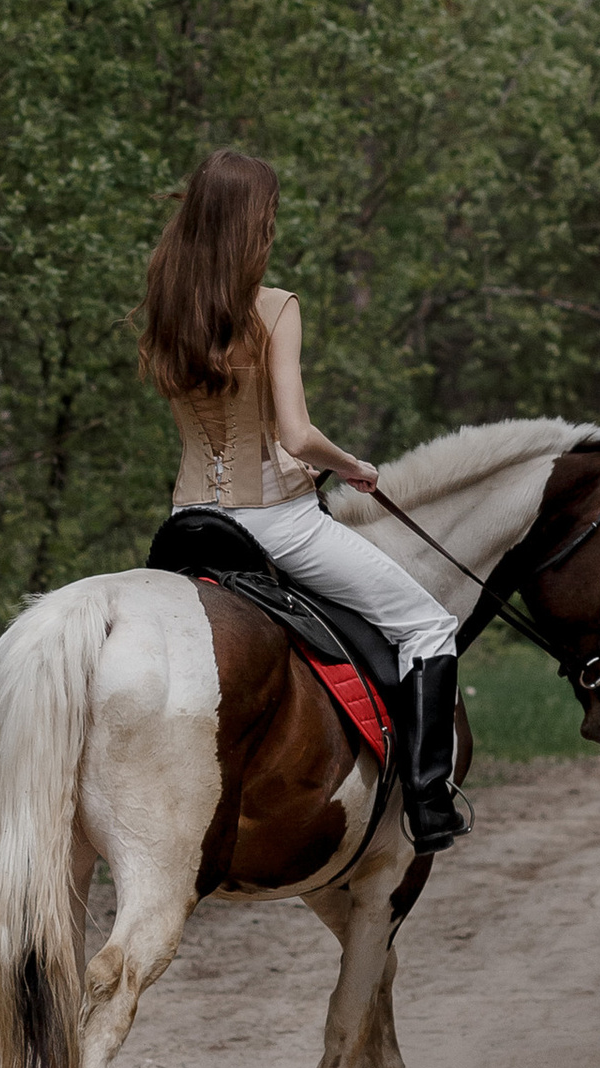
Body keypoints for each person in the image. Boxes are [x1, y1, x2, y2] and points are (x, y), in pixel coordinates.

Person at [139, 146, 468, 851]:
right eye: (270, 216)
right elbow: (295, 432)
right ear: (251, 224)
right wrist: (352, 467)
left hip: (188, 524)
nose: (274, 229)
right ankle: (430, 800)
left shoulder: (166, 305)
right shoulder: (274, 307)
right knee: (429, 627)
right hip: (274, 524)